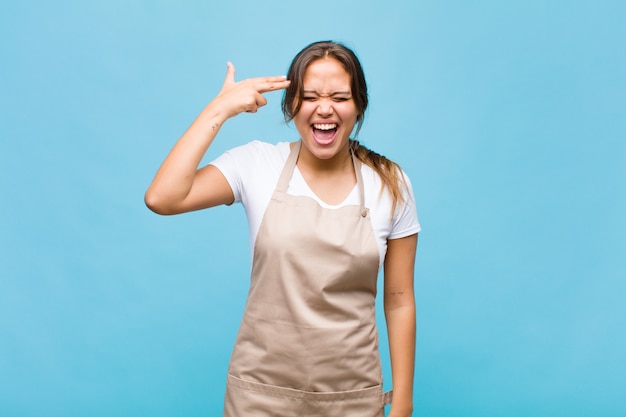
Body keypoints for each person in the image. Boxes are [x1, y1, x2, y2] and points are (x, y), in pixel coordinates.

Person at [145, 40, 420, 417]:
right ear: (291, 105)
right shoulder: (257, 163)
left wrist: (402, 401)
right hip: (260, 396)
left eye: (340, 97)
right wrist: (219, 109)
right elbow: (163, 197)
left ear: (359, 105)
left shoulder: (389, 181)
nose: (324, 108)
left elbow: (400, 298)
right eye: (309, 97)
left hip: (353, 398)